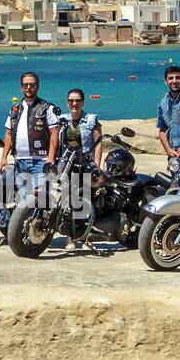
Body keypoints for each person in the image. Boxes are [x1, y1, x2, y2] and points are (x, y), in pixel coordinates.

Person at [0, 71, 61, 234]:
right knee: (24, 201)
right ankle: (25, 233)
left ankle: (42, 230)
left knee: (39, 198)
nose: (29, 87)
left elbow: (54, 132)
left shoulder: (48, 107)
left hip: (41, 161)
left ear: (37, 86)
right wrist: (4, 158)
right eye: (26, 84)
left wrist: (51, 158)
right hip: (21, 162)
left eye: (32, 84)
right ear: (21, 87)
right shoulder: (15, 109)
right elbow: (9, 133)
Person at [52, 88, 103, 251]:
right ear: (67, 102)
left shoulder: (91, 119)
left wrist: (96, 164)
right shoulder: (61, 120)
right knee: (67, 201)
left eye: (78, 100)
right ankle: (70, 237)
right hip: (67, 165)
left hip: (86, 164)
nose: (74, 104)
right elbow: (54, 141)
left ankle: (85, 236)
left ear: (83, 102)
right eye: (71, 101)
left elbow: (98, 141)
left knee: (85, 200)